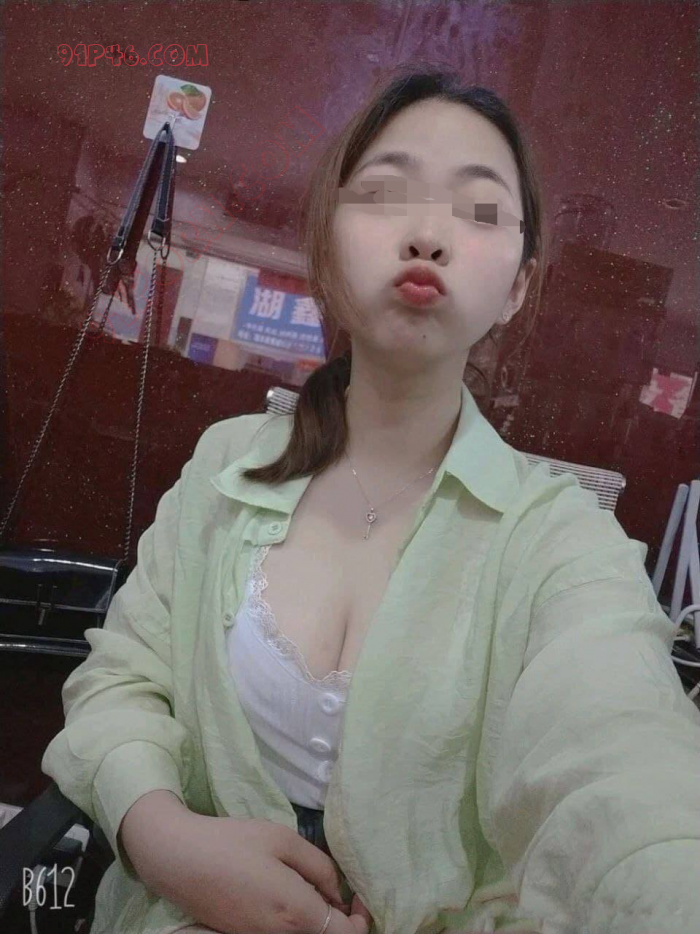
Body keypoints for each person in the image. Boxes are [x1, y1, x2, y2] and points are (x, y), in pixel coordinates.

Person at [41, 64, 700, 934]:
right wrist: (162, 837)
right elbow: (122, 679)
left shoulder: (560, 541)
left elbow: (626, 770)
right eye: (385, 196)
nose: (427, 234)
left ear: (518, 286)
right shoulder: (227, 465)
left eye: (479, 210)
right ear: (326, 249)